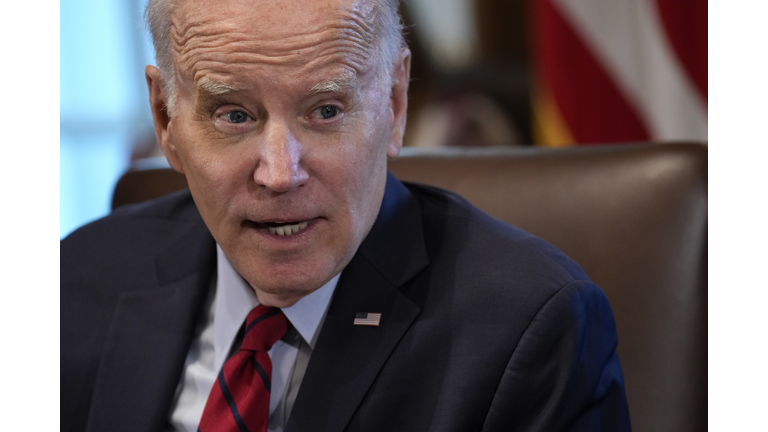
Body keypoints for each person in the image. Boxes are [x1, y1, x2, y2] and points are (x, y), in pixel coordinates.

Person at [60, 0, 631, 431]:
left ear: (395, 102)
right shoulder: (77, 279)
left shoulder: (530, 331)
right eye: (234, 115)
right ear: (165, 119)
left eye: (326, 110)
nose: (280, 173)